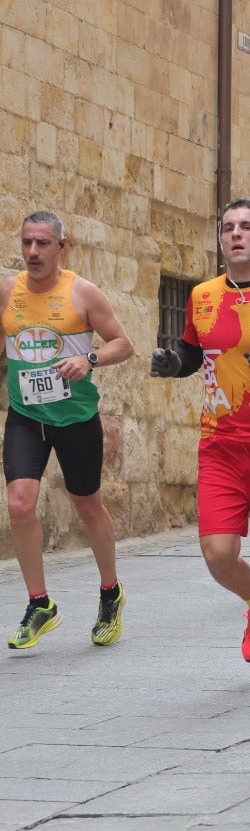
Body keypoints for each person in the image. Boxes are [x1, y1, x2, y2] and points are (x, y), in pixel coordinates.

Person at [148, 199, 250, 686]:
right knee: (218, 555)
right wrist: (174, 362)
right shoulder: (203, 295)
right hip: (221, 443)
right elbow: (194, 350)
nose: (236, 235)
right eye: (228, 227)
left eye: (247, 227)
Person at [2, 211, 135, 650]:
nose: (33, 252)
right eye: (27, 243)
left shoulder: (82, 293)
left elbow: (123, 344)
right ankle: (40, 603)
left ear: (63, 245)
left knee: (88, 505)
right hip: (26, 416)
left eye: (42, 243)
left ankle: (110, 591)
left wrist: (89, 360)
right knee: (20, 504)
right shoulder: (7, 292)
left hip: (75, 418)